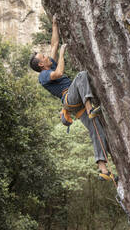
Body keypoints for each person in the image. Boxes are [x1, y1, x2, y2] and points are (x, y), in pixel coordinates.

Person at [29, 15, 117, 182]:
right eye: (44, 57)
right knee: (82, 75)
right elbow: (59, 73)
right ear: (41, 65)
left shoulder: (49, 64)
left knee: (97, 131)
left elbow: (54, 43)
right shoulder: (44, 75)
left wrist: (55, 24)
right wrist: (62, 54)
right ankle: (90, 108)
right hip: (70, 97)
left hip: (76, 105)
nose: (47, 57)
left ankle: (103, 169)